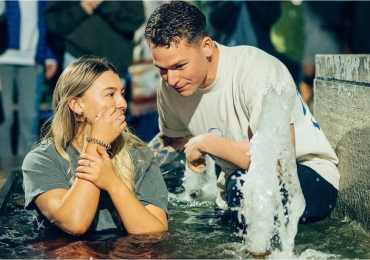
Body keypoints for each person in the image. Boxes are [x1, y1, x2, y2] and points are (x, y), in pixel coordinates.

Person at [144, 0, 339, 228]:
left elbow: (278, 161)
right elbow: (173, 141)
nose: (171, 79)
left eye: (179, 66)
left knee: (242, 184)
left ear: (206, 46)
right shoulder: (169, 88)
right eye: (162, 70)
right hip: (239, 183)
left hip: (308, 176)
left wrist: (208, 143)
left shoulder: (256, 71)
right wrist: (130, 168)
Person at [22, 57, 168, 235]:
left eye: (121, 93)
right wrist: (97, 144)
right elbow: (74, 223)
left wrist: (113, 184)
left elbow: (155, 232)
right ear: (77, 105)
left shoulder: (138, 153)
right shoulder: (42, 160)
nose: (122, 103)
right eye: (110, 94)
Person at [44, 0, 145, 105]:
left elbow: (136, 19)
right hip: (77, 59)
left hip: (114, 65)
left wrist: (106, 3)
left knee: (111, 117)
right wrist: (81, 9)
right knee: (74, 118)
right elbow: (53, 19)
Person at [0, 0, 58, 156]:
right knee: (3, 117)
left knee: (29, 117)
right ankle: (3, 168)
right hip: (3, 60)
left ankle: (26, 165)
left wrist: (49, 56)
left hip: (33, 61)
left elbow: (47, 25)